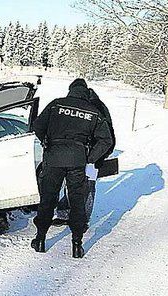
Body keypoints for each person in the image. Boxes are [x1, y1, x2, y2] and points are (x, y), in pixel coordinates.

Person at [30, 79, 113, 258]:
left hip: (54, 158)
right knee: (77, 201)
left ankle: (40, 239)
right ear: (86, 93)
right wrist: (90, 157)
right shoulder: (93, 112)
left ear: (70, 91)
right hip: (77, 161)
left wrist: (47, 141)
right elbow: (107, 140)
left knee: (48, 199)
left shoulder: (56, 105)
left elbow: (37, 125)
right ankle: (77, 244)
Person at [52, 88, 116, 226]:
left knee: (87, 187)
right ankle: (64, 214)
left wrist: (94, 157)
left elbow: (108, 136)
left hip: (92, 156)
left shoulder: (98, 108)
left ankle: (82, 219)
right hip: (73, 154)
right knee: (69, 184)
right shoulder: (74, 106)